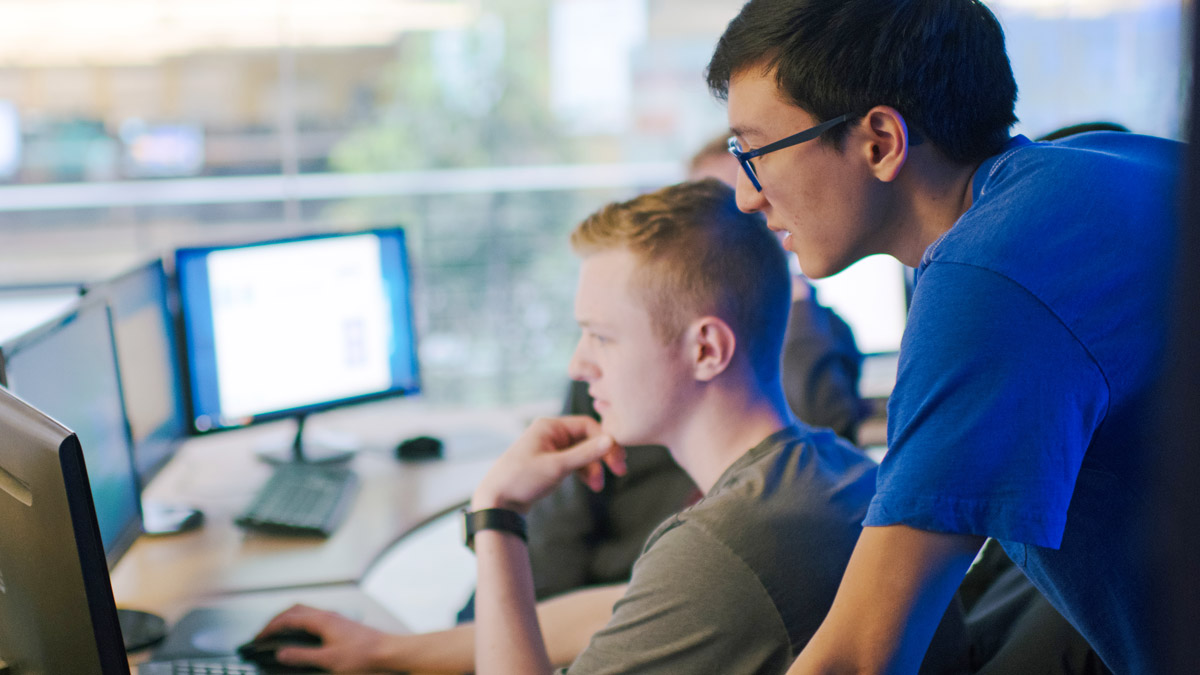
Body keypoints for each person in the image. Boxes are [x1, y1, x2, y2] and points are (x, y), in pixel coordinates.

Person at [258, 179, 969, 673]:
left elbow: (679, 586)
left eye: (601, 336)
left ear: (706, 348)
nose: (579, 363)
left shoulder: (720, 547)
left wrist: (498, 517)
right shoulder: (830, 468)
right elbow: (619, 611)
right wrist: (381, 650)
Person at [705, 1, 1182, 673]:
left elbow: (861, 656)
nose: (748, 197)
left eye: (754, 152)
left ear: (880, 141)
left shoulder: (989, 276)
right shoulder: (1111, 166)